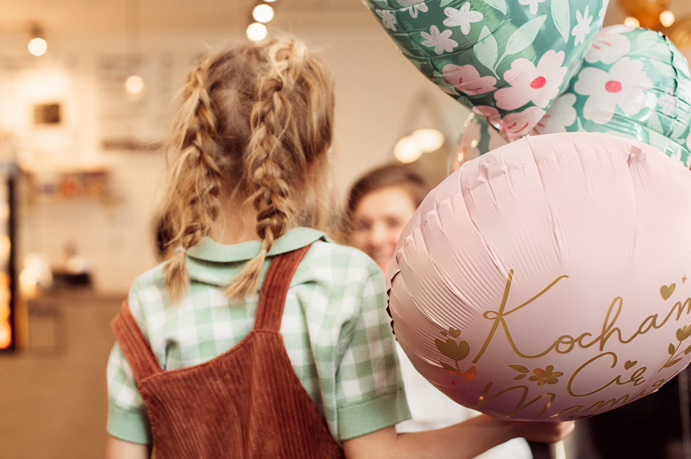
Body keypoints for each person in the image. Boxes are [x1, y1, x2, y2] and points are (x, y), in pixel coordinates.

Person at [105, 36, 573, 459]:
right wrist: (509, 424)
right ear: (314, 162)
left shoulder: (148, 299)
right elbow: (378, 456)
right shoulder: (341, 279)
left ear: (199, 155)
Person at [344, 163, 533, 459]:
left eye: (392, 222)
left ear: (425, 227)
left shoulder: (476, 300)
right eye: (363, 225)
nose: (377, 238)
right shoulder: (346, 315)